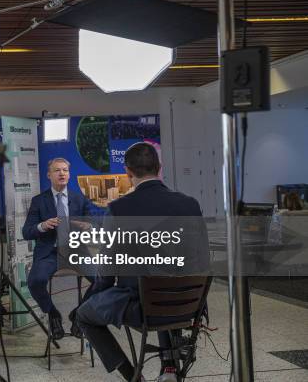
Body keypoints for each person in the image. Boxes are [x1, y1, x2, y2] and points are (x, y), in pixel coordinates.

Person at [76, 142, 205, 382]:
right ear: (160, 167)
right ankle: (169, 368)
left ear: (127, 172)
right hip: (188, 304)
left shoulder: (119, 209)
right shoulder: (190, 204)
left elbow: (107, 270)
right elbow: (201, 259)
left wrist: (94, 297)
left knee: (84, 315)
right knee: (164, 282)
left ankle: (134, 377)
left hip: (145, 306)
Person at [22, 157, 97, 340]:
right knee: (35, 281)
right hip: (49, 253)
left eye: (65, 170)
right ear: (49, 175)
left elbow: (94, 227)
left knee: (103, 279)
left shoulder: (80, 199)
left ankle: (78, 315)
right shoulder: (39, 201)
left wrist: (89, 227)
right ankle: (52, 314)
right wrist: (43, 225)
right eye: (57, 170)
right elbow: (26, 232)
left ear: (69, 174)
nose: (62, 173)